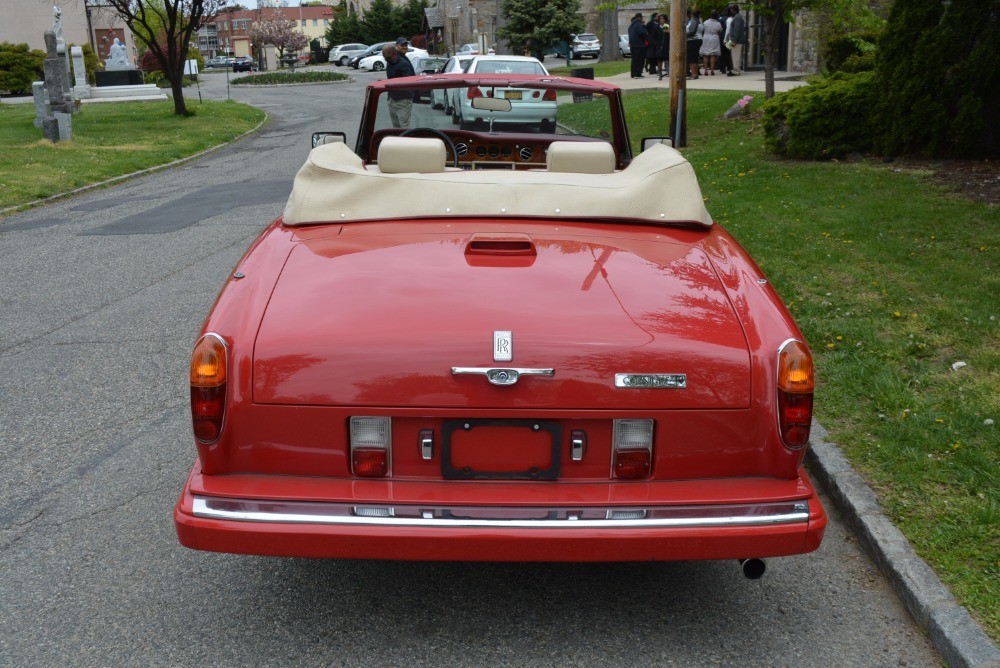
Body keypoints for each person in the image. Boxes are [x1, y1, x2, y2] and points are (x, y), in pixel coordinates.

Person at [384, 38, 416, 128]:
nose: (405, 47)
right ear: (396, 46)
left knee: (403, 127)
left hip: (403, 99)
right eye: (402, 45)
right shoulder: (391, 60)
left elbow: (409, 81)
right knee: (396, 127)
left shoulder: (403, 62)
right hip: (393, 98)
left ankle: (404, 142)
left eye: (406, 45)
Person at [725, 3, 746, 76]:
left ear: (732, 9)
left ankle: (736, 70)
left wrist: (734, 41)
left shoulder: (737, 18)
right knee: (736, 55)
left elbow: (737, 30)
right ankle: (736, 69)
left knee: (736, 55)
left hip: (737, 40)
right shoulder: (738, 17)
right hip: (738, 40)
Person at [700, 11, 723, 76]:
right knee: (713, 54)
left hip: (706, 38)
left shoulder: (706, 22)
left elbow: (702, 29)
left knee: (706, 54)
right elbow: (720, 30)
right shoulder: (718, 23)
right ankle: (712, 70)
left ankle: (705, 70)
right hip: (714, 38)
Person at [627, 12, 647, 79]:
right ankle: (638, 73)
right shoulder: (638, 24)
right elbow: (642, 33)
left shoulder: (631, 26)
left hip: (633, 45)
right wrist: (644, 28)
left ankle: (633, 73)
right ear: (640, 17)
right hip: (639, 45)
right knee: (640, 60)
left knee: (634, 59)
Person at [685, 10, 703, 79]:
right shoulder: (700, 21)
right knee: (695, 57)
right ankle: (695, 73)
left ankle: (694, 74)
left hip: (692, 40)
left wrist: (684, 35)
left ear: (692, 15)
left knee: (691, 58)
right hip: (699, 39)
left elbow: (692, 32)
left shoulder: (694, 21)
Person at [657, 14, 670, 79]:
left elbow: (666, 32)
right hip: (659, 45)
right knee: (659, 59)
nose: (661, 20)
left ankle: (669, 72)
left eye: (662, 18)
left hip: (666, 44)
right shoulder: (658, 26)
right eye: (660, 18)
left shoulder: (666, 25)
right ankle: (660, 73)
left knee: (667, 59)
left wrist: (668, 31)